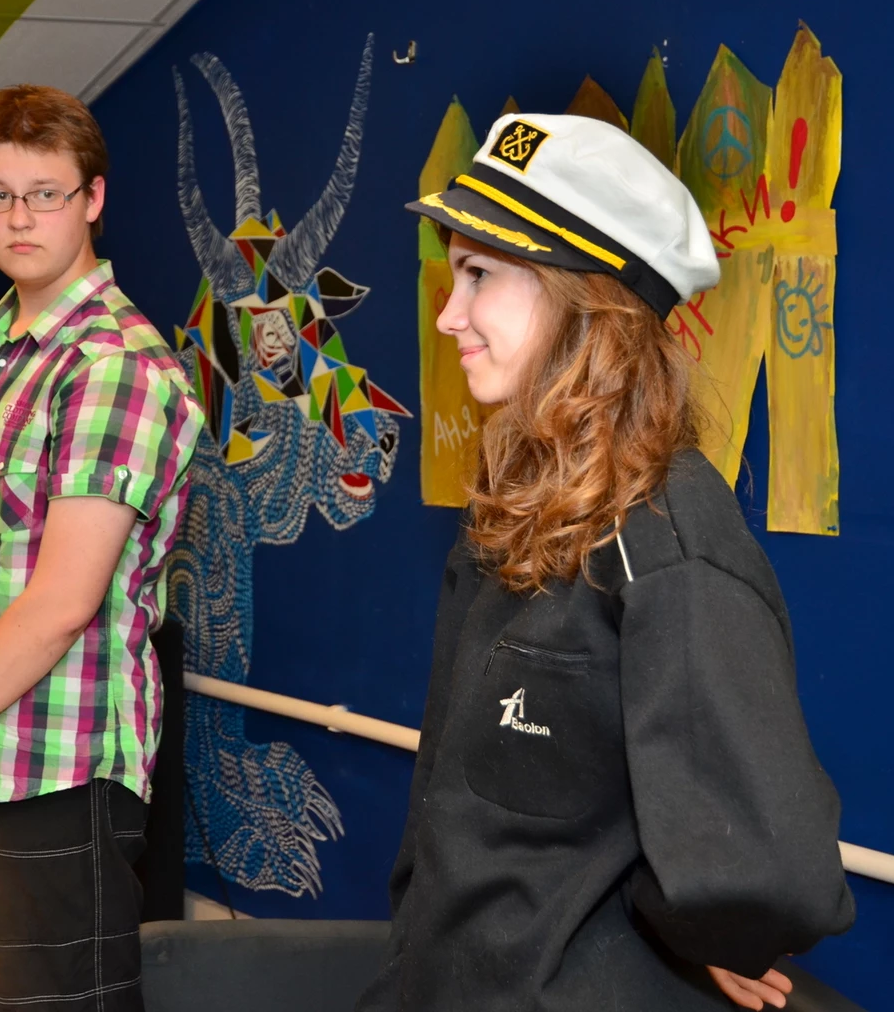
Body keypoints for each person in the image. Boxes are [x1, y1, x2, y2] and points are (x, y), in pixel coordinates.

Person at [357, 114, 855, 1011]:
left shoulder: (667, 535)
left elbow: (766, 868)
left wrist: (691, 927)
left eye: (479, 275)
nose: (448, 314)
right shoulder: (518, 506)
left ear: (585, 300)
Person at [0, 84, 204, 1012]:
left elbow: (62, 605)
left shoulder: (119, 366)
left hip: (59, 765)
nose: (19, 218)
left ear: (92, 199)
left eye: (45, 193)